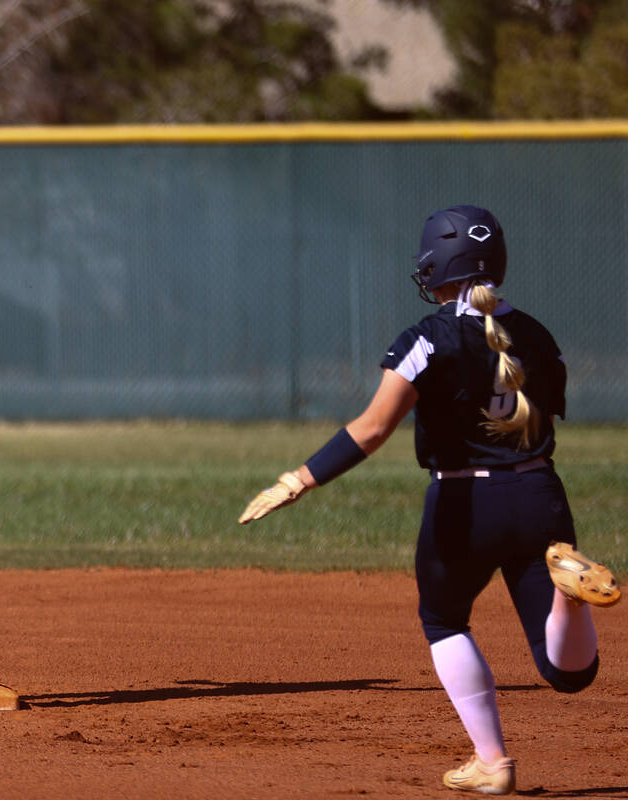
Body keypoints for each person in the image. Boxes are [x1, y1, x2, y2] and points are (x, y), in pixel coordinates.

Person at [238, 205, 620, 795]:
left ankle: (492, 762)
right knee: (566, 673)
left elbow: (371, 429)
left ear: (440, 264)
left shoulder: (428, 338)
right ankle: (569, 597)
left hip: (464, 503)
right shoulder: (540, 336)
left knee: (444, 620)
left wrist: (298, 480)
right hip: (542, 495)